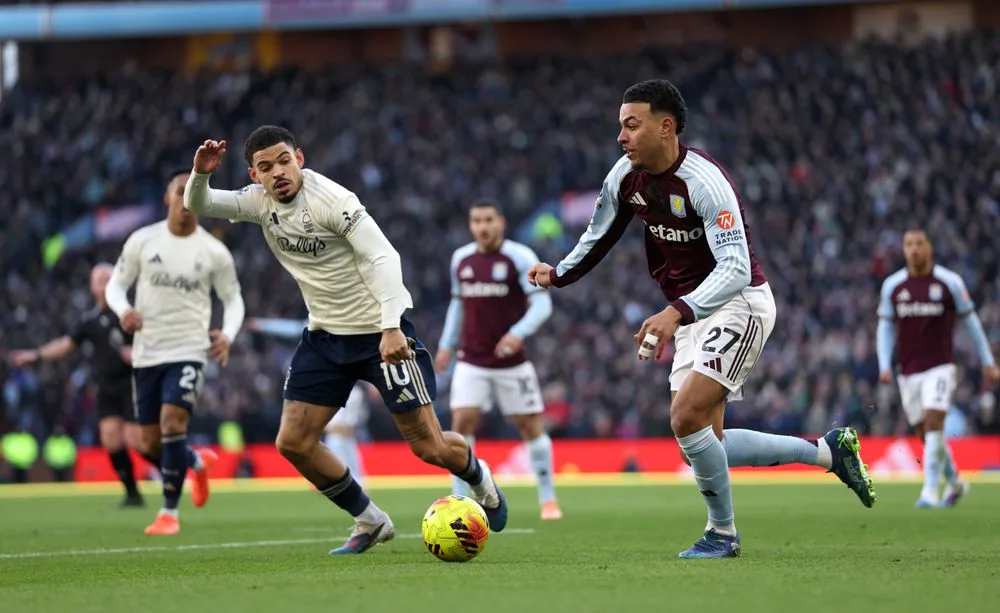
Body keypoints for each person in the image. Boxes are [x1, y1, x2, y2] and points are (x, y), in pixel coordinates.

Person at [527, 79, 876, 559]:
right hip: (691, 313)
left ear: (665, 126)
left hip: (741, 301)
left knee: (686, 416)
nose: (621, 137)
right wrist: (559, 274)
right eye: (620, 127)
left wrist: (675, 312)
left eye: (632, 125)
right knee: (702, 440)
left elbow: (734, 268)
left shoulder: (706, 182)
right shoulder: (624, 177)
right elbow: (599, 232)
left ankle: (722, 534)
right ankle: (827, 452)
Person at [182, 126, 508, 555]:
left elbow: (383, 256)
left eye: (283, 160)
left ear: (299, 158)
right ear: (254, 174)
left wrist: (391, 326)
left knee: (429, 447)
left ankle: (480, 480)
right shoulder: (258, 201)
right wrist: (200, 174)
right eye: (266, 167)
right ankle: (370, 521)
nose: (277, 172)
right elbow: (198, 202)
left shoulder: (333, 201)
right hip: (324, 338)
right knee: (293, 443)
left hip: (379, 333)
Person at [106, 169, 246, 535]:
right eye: (181, 191)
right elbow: (115, 287)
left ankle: (169, 512)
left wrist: (227, 335)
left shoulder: (213, 252)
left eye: (194, 192)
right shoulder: (143, 240)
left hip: (189, 348)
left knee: (172, 422)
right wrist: (124, 312)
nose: (187, 198)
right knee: (148, 442)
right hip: (148, 352)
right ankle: (196, 463)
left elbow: (233, 301)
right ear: (168, 196)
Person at [434, 198, 561, 520]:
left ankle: (547, 498)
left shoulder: (519, 257)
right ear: (470, 225)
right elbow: (458, 305)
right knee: (461, 424)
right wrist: (447, 344)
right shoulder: (461, 259)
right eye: (476, 221)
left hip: (512, 362)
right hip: (472, 360)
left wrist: (518, 332)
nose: (483, 227)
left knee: (529, 425)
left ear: (500, 222)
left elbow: (542, 305)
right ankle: (459, 498)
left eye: (488, 220)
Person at [876, 229, 998, 508]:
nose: (914, 249)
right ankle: (954, 481)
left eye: (919, 243)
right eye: (908, 244)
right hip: (908, 372)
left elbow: (971, 322)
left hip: (941, 367)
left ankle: (930, 490)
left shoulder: (949, 283)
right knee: (927, 433)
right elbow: (884, 326)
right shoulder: (893, 286)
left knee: (934, 421)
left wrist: (987, 361)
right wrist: (884, 363)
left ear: (929, 247)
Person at [9, 263, 145, 507]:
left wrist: (139, 353)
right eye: (98, 278)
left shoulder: (130, 314)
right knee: (111, 439)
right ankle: (132, 493)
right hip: (106, 385)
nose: (103, 281)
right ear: (92, 286)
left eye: (107, 277)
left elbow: (156, 337)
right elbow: (66, 344)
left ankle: (176, 470)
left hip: (133, 383)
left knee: (136, 439)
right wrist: (36, 355)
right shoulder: (89, 321)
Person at [246, 316, 368, 484]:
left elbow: (293, 329)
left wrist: (262, 325)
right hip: (326, 386)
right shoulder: (322, 326)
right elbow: (293, 328)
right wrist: (263, 325)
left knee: (354, 473)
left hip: (333, 389)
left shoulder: (338, 329)